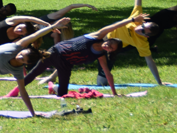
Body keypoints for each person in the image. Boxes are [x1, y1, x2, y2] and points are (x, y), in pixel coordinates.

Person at [11, 15, 148, 97]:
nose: (108, 46)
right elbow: (114, 25)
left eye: (111, 48)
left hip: (65, 65)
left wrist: (114, 93)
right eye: (109, 43)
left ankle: (55, 89)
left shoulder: (100, 56)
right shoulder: (97, 36)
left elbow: (108, 74)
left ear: (111, 51)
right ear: (108, 40)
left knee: (63, 93)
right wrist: (132, 19)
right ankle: (13, 93)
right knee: (34, 72)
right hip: (55, 53)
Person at [96, 0, 165, 86]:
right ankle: (54, 76)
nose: (140, 28)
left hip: (114, 48)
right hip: (104, 36)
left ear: (146, 36)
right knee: (79, 50)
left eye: (143, 31)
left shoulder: (142, 43)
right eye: (143, 26)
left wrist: (159, 82)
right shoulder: (138, 18)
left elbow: (150, 61)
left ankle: (104, 71)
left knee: (101, 84)